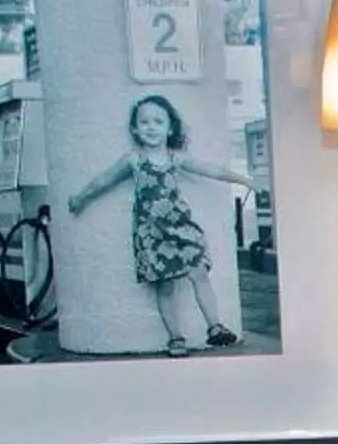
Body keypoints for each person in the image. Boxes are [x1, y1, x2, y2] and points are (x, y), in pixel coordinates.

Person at [65, 95, 255, 355]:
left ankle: (215, 326)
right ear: (135, 129)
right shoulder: (134, 160)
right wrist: (80, 198)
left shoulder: (176, 158)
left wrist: (245, 181)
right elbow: (103, 181)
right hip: (151, 233)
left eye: (158, 121)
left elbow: (213, 170)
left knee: (199, 272)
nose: (151, 127)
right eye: (144, 122)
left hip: (181, 226)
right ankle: (175, 338)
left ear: (170, 128)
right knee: (165, 286)